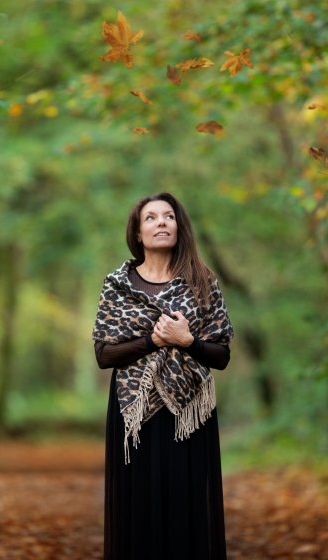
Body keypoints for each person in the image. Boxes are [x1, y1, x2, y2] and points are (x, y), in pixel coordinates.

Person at [92, 192, 234, 560]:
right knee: (137, 509)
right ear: (138, 233)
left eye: (168, 216)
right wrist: (153, 340)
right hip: (133, 415)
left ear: (179, 226)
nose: (161, 223)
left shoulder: (202, 281)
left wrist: (188, 342)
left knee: (186, 506)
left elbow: (221, 355)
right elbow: (105, 355)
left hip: (189, 416)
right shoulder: (118, 286)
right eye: (151, 218)